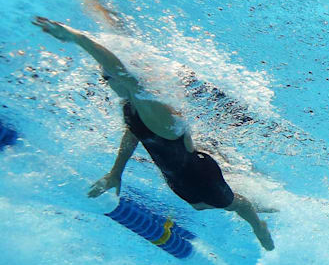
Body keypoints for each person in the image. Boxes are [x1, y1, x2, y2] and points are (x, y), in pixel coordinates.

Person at [32, 17, 275, 250]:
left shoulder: (151, 106)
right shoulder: (130, 107)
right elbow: (134, 133)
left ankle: (258, 223)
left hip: (201, 178)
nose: (105, 81)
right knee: (201, 205)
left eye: (106, 77)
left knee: (232, 204)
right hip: (179, 174)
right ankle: (242, 185)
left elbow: (126, 76)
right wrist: (115, 173)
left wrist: (78, 38)